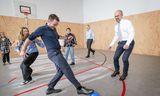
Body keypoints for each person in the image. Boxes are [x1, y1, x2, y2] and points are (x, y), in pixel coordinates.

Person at [20, 14, 94, 95]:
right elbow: (29, 38)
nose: (55, 26)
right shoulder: (42, 29)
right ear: (48, 21)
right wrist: (23, 50)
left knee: (60, 71)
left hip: (58, 52)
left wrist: (66, 38)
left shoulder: (53, 29)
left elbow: (58, 36)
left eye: (56, 25)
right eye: (54, 24)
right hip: (53, 53)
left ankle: (50, 88)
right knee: (66, 68)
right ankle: (79, 88)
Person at [108, 10, 135, 81]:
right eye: (115, 16)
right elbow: (116, 36)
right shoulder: (116, 26)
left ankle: (125, 73)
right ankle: (117, 70)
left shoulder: (127, 22)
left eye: (118, 15)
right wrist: (111, 44)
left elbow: (132, 33)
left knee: (124, 59)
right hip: (120, 43)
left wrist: (127, 43)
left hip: (129, 42)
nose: (116, 17)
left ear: (122, 15)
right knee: (115, 58)